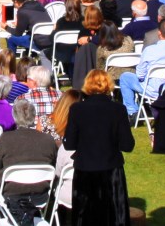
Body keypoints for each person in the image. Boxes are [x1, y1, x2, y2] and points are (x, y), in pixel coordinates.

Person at [64, 70, 133, 226]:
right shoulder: (118, 109)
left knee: (85, 214)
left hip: (85, 169)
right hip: (111, 170)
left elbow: (69, 144)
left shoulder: (77, 109)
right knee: (113, 215)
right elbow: (127, 145)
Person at [0, 99, 58, 226]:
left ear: (14, 117)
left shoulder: (5, 139)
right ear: (34, 117)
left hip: (12, 194)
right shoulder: (48, 140)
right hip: (41, 194)